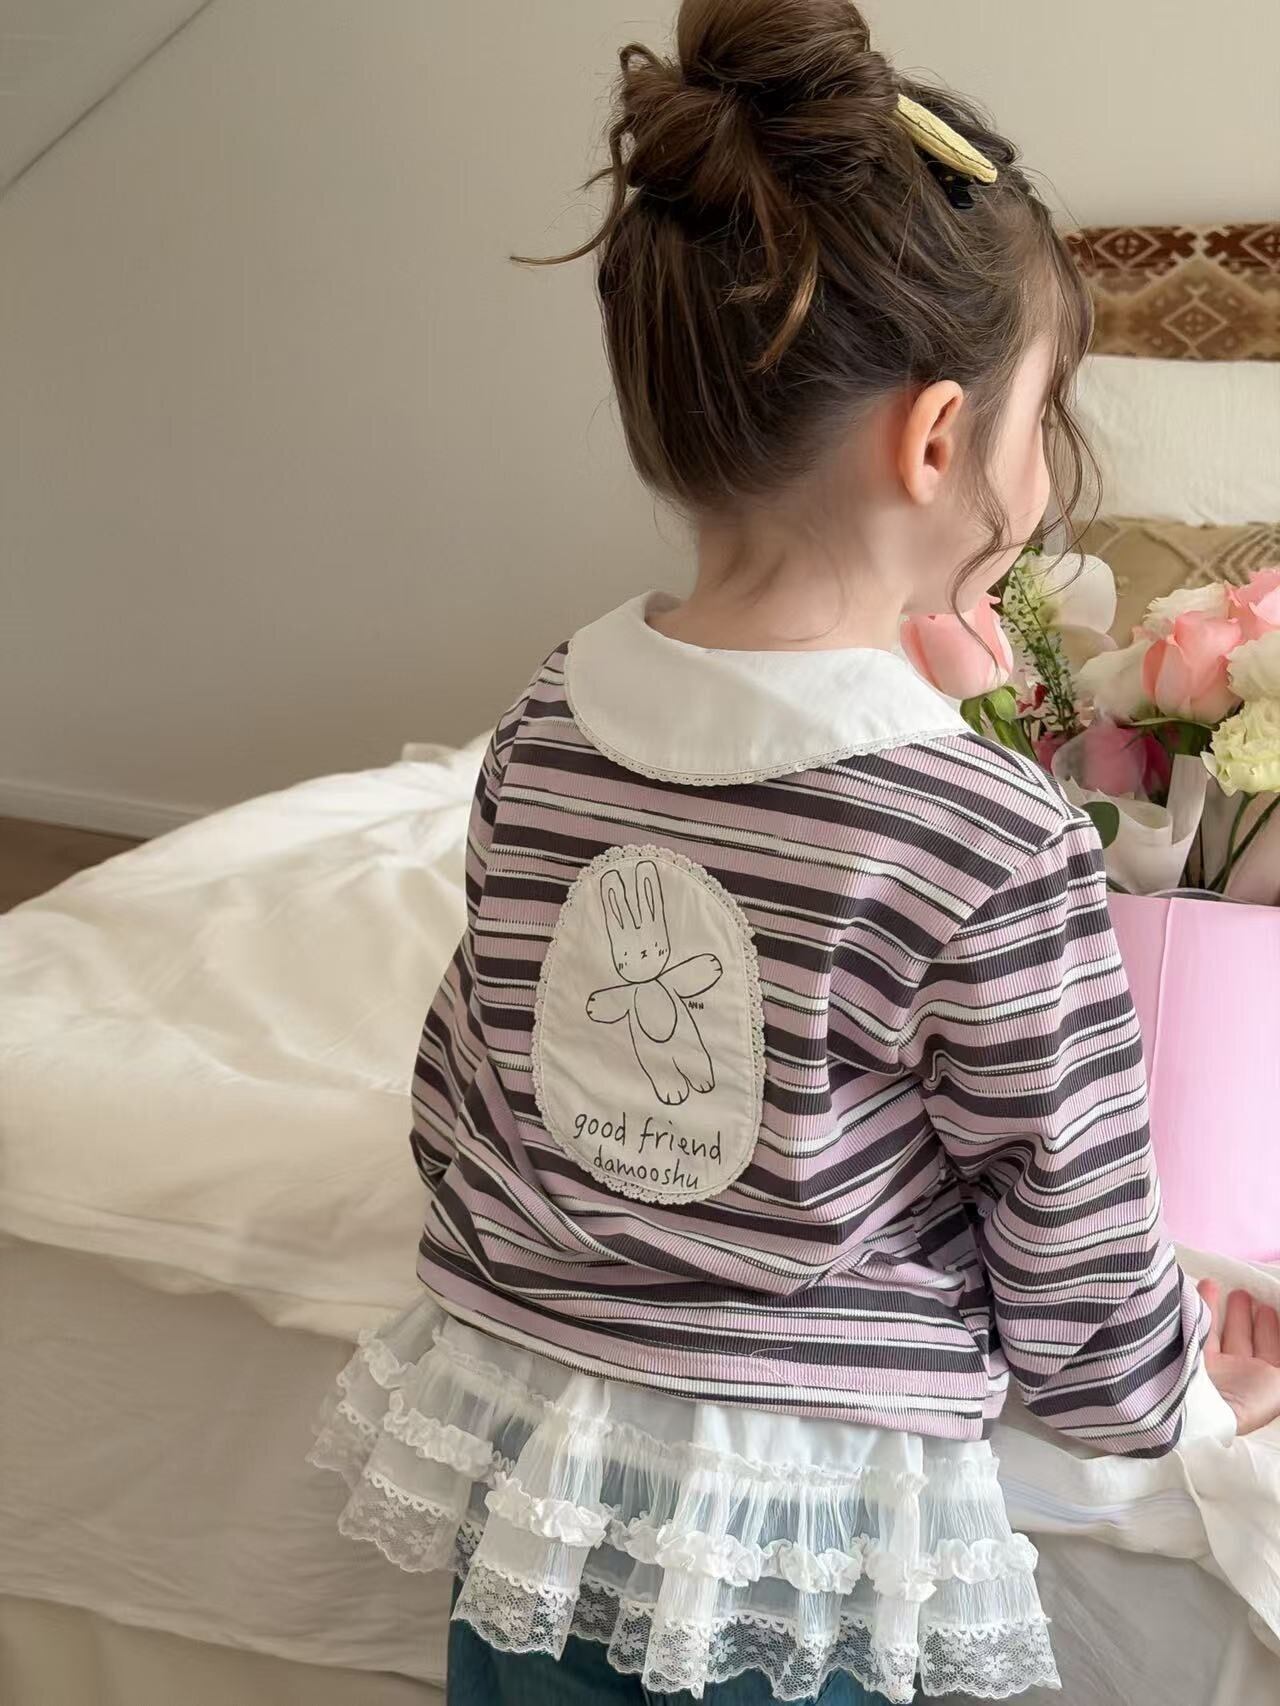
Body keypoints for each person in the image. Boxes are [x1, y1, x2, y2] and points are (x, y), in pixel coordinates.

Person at [308, 2, 1280, 1701]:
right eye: (1043, 418)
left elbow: (463, 1089)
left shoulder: (546, 723)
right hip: (801, 1545)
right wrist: (1186, 1394)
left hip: (533, 1470)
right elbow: (1068, 1227)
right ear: (937, 438)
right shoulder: (988, 833)